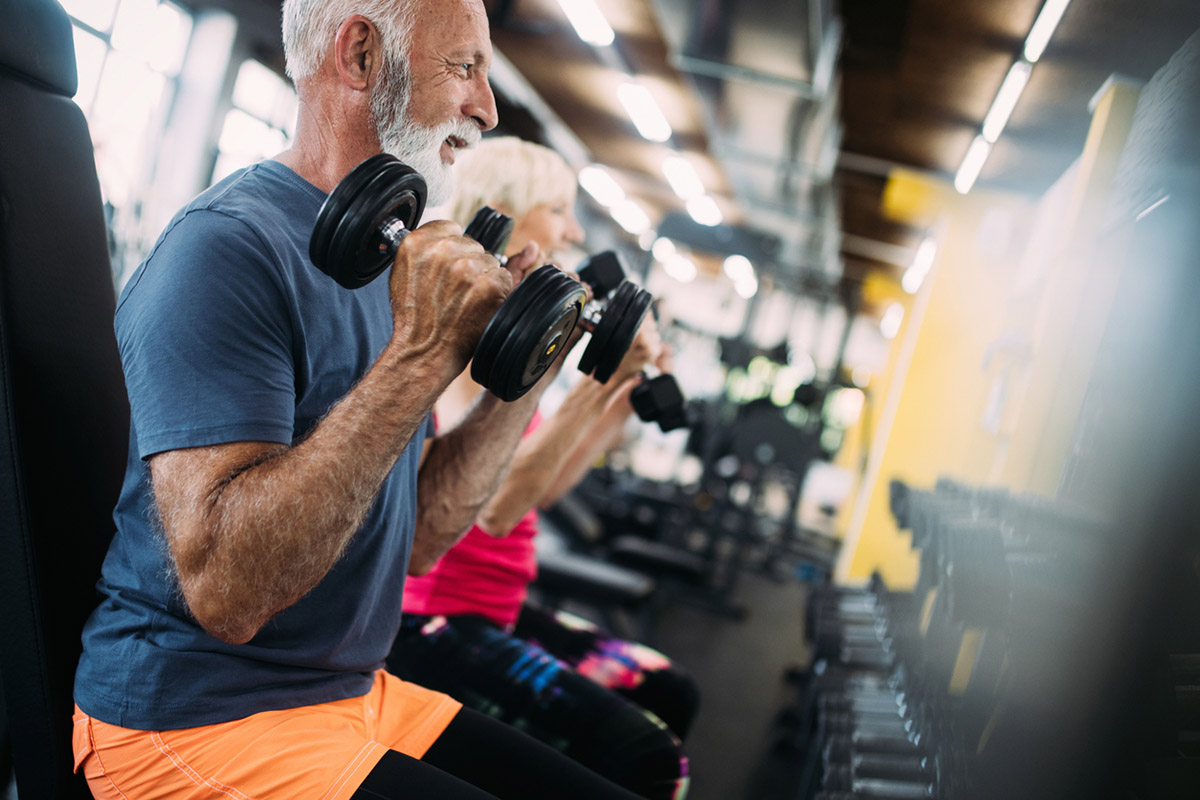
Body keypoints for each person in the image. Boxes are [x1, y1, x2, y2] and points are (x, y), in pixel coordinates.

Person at [70, 2, 647, 799]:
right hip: (193, 717)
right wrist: (419, 357)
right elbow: (227, 596)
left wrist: (530, 364)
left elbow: (417, 540)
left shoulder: (390, 258)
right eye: (464, 68)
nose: (486, 105)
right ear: (363, 55)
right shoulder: (226, 249)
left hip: (346, 694)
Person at [390, 137, 698, 800]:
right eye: (558, 209)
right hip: (434, 621)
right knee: (651, 760)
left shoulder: (515, 325)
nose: (573, 230)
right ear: (504, 212)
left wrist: (618, 394)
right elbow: (496, 509)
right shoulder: (469, 331)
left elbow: (542, 490)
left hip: (497, 605)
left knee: (668, 690)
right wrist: (592, 385)